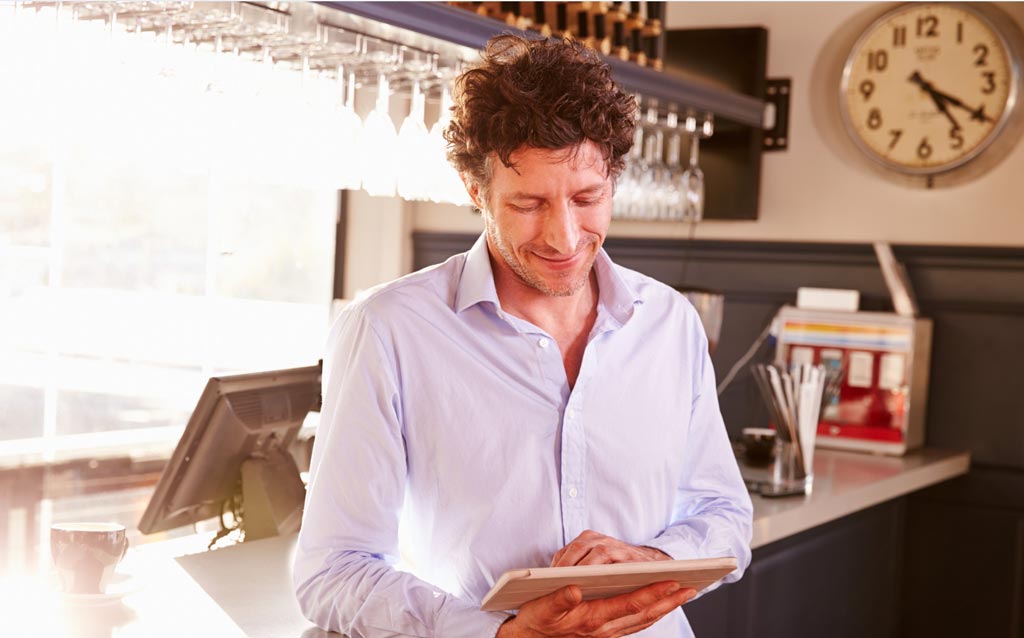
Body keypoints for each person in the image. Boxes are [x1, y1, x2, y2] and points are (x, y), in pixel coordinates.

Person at [294, 34, 752, 638]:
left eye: (587, 198)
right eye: (529, 203)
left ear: (614, 179)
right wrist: (499, 634)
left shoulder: (670, 324)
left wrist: (657, 560)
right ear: (477, 192)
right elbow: (333, 569)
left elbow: (723, 513)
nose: (564, 238)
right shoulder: (388, 330)